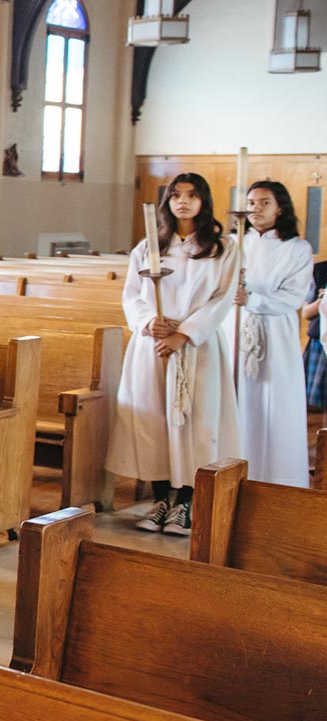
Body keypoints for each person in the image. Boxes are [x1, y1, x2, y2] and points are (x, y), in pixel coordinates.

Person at [110, 173, 240, 535]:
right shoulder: (149, 247)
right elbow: (132, 295)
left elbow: (222, 298)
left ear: (204, 201)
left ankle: (187, 501)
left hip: (196, 347)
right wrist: (151, 322)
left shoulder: (222, 247)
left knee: (194, 423)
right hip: (153, 344)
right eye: (176, 195)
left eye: (192, 195)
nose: (183, 201)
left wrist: (184, 334)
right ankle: (160, 499)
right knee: (153, 423)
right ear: (167, 201)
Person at [227, 180, 314, 487]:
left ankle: (278, 481)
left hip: (275, 335)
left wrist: (252, 299)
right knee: (235, 404)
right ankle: (231, 477)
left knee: (273, 407)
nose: (256, 209)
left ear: (281, 208)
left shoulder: (297, 249)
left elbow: (292, 298)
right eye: (250, 203)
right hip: (234, 332)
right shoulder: (232, 243)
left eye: (265, 203)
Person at [306, 260, 327, 411]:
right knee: (316, 407)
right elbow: (306, 312)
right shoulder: (320, 270)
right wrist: (322, 300)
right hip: (320, 343)